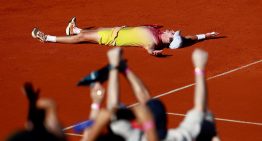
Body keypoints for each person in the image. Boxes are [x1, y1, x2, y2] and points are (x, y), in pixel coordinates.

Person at [31, 17, 219, 56]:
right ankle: (74, 29)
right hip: (116, 29)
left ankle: (46, 38)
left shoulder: (152, 41)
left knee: (82, 39)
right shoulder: (160, 34)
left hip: (111, 38)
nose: (173, 30)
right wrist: (206, 35)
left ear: (169, 40)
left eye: (173, 34)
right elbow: (189, 39)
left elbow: (149, 49)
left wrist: (153, 53)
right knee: (85, 33)